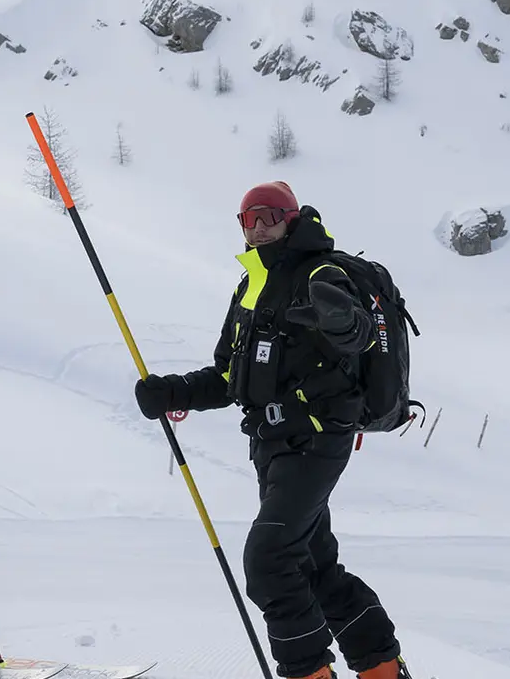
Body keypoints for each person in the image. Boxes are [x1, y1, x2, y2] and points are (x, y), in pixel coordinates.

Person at [133, 182, 410, 679]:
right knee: (313, 568)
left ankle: (310, 673)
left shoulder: (321, 272)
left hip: (316, 439)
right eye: (249, 218)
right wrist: (174, 393)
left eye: (269, 216)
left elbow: (358, 334)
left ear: (291, 219)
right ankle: (384, 670)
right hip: (270, 445)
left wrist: (343, 323)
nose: (259, 227)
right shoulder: (250, 286)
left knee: (269, 561)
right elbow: (228, 376)